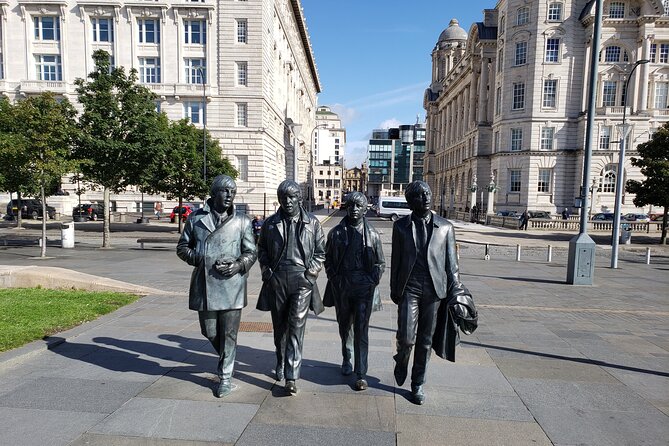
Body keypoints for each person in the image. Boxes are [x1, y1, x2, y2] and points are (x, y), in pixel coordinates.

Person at [391, 180, 477, 405]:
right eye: (420, 195)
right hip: (409, 288)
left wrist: (456, 292)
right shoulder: (400, 227)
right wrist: (394, 289)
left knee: (425, 341)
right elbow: (397, 261)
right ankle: (401, 360)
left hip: (434, 291)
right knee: (407, 338)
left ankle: (417, 383)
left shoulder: (446, 227)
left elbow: (452, 266)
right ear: (411, 202)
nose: (426, 197)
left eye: (428, 193)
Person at [176, 175, 257, 398]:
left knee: (230, 334)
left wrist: (238, 264)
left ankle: (225, 377)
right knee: (209, 330)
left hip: (232, 285)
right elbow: (182, 247)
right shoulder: (195, 219)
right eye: (225, 191)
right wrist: (199, 257)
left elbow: (251, 252)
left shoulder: (242, 221)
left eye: (233, 191)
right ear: (214, 193)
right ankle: (227, 359)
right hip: (206, 285)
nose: (230, 195)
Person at [256, 180, 326, 395]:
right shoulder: (270, 224)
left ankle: (291, 375)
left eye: (292, 197)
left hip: (302, 281)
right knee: (280, 328)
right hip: (277, 279)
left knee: (296, 326)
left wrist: (310, 273)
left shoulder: (312, 223)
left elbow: (320, 253)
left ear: (299, 198)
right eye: (284, 197)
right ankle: (281, 360)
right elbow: (262, 250)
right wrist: (267, 271)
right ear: (279, 199)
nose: (288, 201)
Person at [324, 192, 385, 391]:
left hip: (364, 287)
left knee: (361, 329)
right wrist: (334, 278)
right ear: (346, 207)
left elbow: (380, 262)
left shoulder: (373, 235)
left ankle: (361, 373)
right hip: (342, 285)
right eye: (351, 205)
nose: (355, 209)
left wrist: (373, 279)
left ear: (365, 209)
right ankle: (346, 356)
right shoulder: (336, 233)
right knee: (344, 326)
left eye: (359, 206)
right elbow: (328, 260)